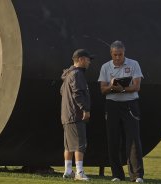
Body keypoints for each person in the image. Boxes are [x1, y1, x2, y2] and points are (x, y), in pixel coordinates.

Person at [98, 41, 144, 183]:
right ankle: (117, 174)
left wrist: (122, 89)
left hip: (130, 105)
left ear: (124, 53)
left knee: (133, 140)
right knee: (113, 139)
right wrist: (112, 87)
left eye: (120, 54)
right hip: (112, 105)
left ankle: (137, 176)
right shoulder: (105, 67)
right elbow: (103, 90)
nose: (118, 57)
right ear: (111, 54)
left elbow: (137, 87)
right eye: (115, 55)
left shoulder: (133, 64)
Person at [60, 49, 94, 181]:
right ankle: (79, 172)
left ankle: (68, 171)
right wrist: (85, 109)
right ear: (80, 59)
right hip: (75, 115)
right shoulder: (77, 74)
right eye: (87, 59)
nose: (89, 62)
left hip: (66, 115)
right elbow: (77, 93)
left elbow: (62, 91)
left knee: (69, 145)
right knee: (80, 144)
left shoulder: (69, 74)